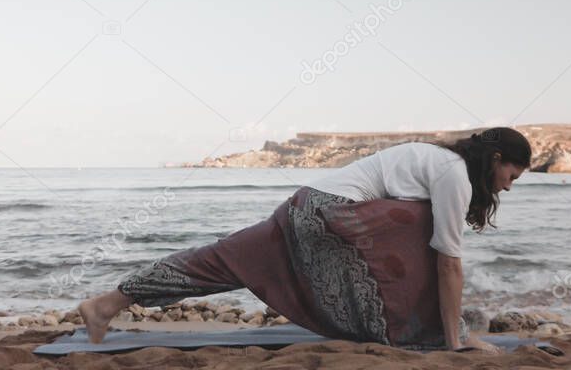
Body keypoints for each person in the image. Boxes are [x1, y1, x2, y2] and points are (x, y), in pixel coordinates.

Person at [78, 127, 531, 350]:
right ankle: (438, 332)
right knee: (420, 225)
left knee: (220, 262)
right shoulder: (454, 175)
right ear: (495, 158)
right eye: (511, 174)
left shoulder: (436, 160)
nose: (509, 185)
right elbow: (448, 262)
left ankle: (106, 304)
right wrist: (457, 341)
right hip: (332, 218)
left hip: (305, 207)